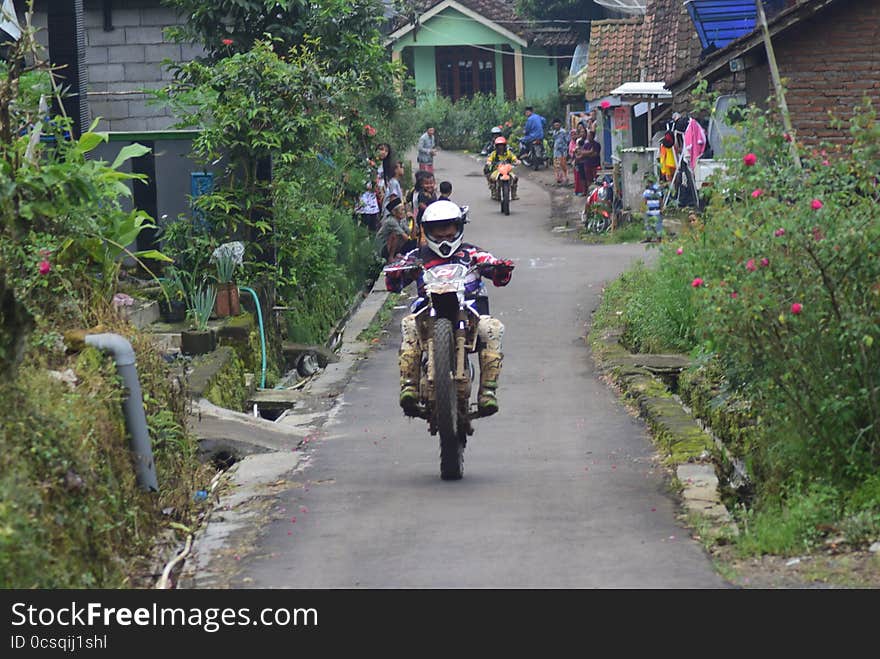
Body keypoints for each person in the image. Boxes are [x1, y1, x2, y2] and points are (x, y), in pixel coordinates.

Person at [385, 200, 515, 417]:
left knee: (493, 328)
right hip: (426, 312)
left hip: (470, 312)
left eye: (449, 230)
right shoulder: (417, 256)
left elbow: (497, 271)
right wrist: (396, 272)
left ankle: (487, 391)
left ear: (459, 228)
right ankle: (409, 386)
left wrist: (500, 268)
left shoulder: (472, 253)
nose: (444, 237)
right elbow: (393, 283)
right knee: (408, 324)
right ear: (428, 232)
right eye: (438, 231)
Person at [376, 196, 416, 262]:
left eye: (404, 210)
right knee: (396, 235)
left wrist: (413, 220)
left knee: (412, 241)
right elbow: (406, 238)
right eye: (402, 210)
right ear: (394, 212)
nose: (404, 212)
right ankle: (391, 257)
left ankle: (397, 254)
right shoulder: (391, 221)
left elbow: (412, 236)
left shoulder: (401, 220)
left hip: (391, 247)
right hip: (382, 247)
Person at [484, 136, 520, 201]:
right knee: (492, 178)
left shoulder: (509, 153)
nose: (500, 147)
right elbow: (489, 159)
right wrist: (489, 162)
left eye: (502, 145)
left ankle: (514, 194)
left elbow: (514, 158)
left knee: (515, 178)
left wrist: (516, 161)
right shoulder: (494, 154)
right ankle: (494, 192)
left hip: (507, 170)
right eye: (499, 145)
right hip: (497, 170)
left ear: (505, 146)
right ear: (496, 146)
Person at [551, 118, 569, 186]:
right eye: (555, 125)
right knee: (556, 164)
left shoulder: (563, 132)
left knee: (563, 164)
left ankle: (565, 178)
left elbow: (567, 140)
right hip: (556, 150)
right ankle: (558, 178)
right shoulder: (554, 132)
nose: (556, 126)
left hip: (562, 151)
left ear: (560, 125)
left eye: (558, 125)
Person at [572, 123, 588, 196]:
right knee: (581, 176)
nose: (582, 133)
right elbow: (577, 150)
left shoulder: (587, 141)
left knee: (586, 177)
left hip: (586, 161)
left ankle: (586, 190)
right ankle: (583, 190)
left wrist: (581, 153)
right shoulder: (578, 140)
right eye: (581, 132)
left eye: (583, 132)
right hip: (579, 161)